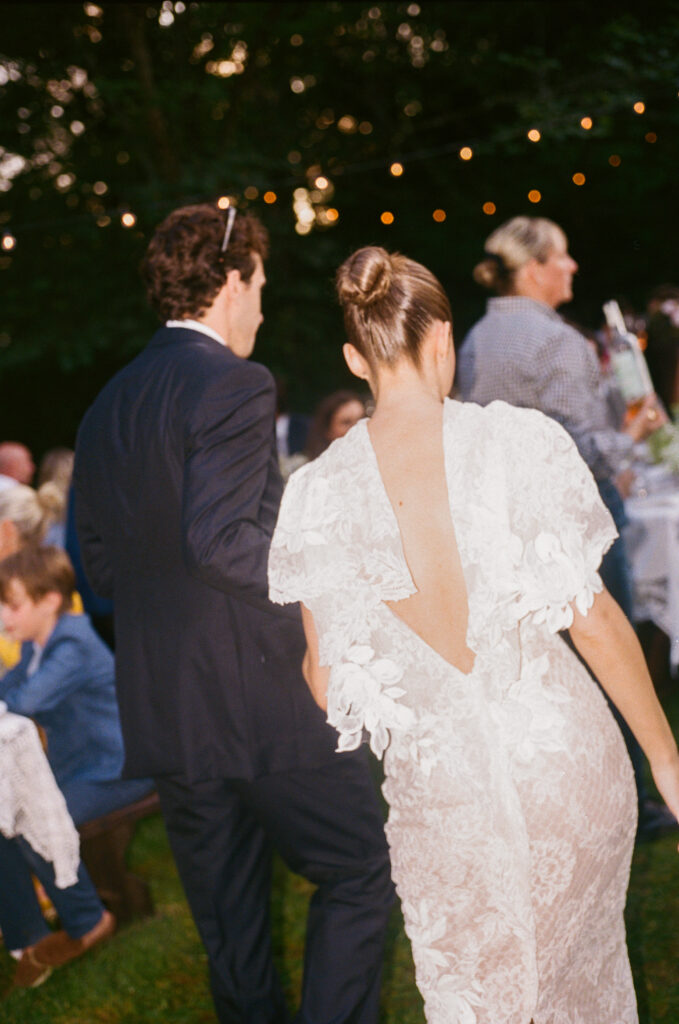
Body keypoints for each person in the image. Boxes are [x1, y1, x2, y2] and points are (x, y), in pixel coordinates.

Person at [268, 245, 679, 1024]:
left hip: (441, 790)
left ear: (355, 358)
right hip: (564, 764)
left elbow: (326, 683)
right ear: (443, 341)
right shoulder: (520, 443)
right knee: (579, 987)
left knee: (475, 998)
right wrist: (664, 755)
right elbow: (589, 619)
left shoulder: (315, 494)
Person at [72, 202, 394, 1024]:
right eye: (259, 284)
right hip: (267, 702)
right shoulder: (236, 382)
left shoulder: (107, 402)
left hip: (168, 714)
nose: (260, 304)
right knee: (359, 869)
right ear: (231, 277)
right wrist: (331, 584)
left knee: (234, 932)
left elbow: (98, 567)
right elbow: (220, 542)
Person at [456, 214, 675, 843]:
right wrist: (632, 436)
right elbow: (581, 447)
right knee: (612, 652)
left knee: (550, 667)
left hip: (506, 525)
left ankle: (570, 794)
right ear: (534, 268)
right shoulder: (558, 342)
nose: (573, 265)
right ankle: (637, 796)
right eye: (564, 255)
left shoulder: (476, 338)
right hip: (571, 518)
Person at [0, 545, 153, 988]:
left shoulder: (73, 641)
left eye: (12, 605)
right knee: (5, 817)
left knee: (30, 818)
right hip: (79, 769)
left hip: (119, 768)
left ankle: (87, 919)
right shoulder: (35, 645)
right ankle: (26, 938)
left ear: (49, 600)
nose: (5, 617)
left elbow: (25, 701)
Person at [304, 390, 367, 460]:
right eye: (346, 422)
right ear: (327, 430)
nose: (356, 427)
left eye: (361, 419)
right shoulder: (304, 467)